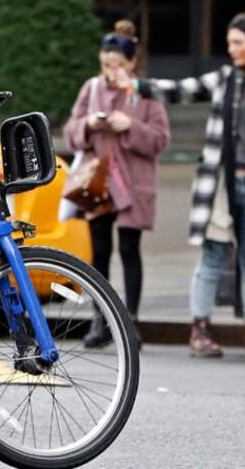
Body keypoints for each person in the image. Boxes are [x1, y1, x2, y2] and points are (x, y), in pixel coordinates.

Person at [124, 12, 245, 359]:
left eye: (238, 43)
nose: (231, 49)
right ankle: (199, 330)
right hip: (220, 185)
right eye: (229, 42)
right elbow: (182, 89)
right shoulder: (225, 78)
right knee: (212, 256)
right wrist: (138, 85)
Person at [63, 20, 170, 347]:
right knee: (100, 251)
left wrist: (130, 126)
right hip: (98, 183)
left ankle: (130, 324)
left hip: (133, 184)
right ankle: (100, 322)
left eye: (118, 65)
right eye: (106, 64)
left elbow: (161, 139)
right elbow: (69, 133)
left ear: (132, 63)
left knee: (128, 249)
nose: (111, 71)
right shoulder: (91, 89)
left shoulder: (145, 92)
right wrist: (89, 125)